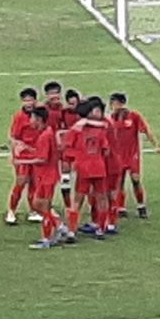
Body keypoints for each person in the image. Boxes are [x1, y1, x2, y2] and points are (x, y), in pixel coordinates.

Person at [14, 107, 66, 250]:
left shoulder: (44, 135)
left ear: (38, 119)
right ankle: (58, 227)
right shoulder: (46, 133)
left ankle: (48, 237)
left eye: (32, 118)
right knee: (38, 205)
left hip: (47, 176)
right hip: (46, 175)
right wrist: (27, 149)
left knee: (41, 205)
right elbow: (42, 153)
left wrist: (22, 162)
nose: (30, 121)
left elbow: (42, 159)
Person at [63, 99, 111, 242]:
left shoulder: (76, 130)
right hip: (99, 167)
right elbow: (106, 150)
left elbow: (67, 149)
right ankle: (101, 229)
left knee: (78, 199)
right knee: (102, 198)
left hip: (83, 168)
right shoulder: (100, 130)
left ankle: (72, 231)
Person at [109, 92, 160, 218]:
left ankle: (141, 206)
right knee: (119, 182)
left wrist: (156, 145)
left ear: (121, 103)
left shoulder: (134, 116)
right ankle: (121, 207)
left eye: (115, 103)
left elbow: (146, 130)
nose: (114, 106)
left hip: (132, 155)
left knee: (135, 180)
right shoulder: (110, 119)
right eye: (113, 104)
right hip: (117, 156)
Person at [5, 88, 41, 225]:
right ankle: (11, 211)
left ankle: (33, 211)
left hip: (36, 154)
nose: (28, 103)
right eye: (25, 100)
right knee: (21, 182)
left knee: (35, 183)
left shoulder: (40, 114)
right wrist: (19, 147)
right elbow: (13, 137)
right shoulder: (19, 117)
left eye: (30, 100)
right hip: (23, 156)